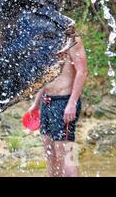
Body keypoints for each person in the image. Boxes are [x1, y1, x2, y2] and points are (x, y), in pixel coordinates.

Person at [27, 34, 87, 177]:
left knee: (66, 155)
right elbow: (49, 76)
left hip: (64, 102)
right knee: (50, 154)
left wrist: (72, 103)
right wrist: (36, 103)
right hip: (46, 103)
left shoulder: (72, 40)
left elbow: (82, 71)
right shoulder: (49, 40)